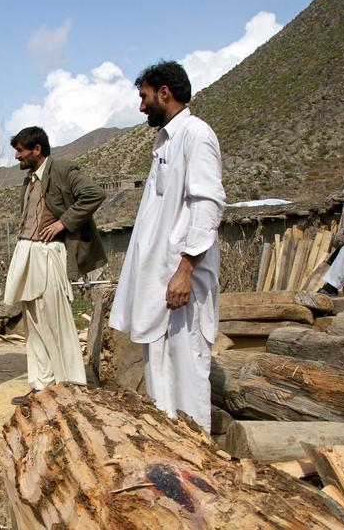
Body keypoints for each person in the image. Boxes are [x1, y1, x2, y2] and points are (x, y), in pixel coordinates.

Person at [109, 61, 225, 433]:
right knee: (159, 373)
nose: (141, 107)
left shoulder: (196, 134)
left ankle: (199, 463)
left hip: (181, 281)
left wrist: (186, 269)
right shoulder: (166, 141)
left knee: (187, 374)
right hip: (160, 282)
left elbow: (208, 205)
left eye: (144, 97)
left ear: (164, 93)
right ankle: (171, 459)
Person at [4, 126, 106, 405]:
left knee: (56, 320)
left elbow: (93, 194)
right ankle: (41, 386)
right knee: (34, 322)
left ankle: (70, 387)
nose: (17, 156)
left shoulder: (61, 169)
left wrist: (63, 223)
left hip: (49, 254)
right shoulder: (30, 180)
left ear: (37, 149)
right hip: (28, 251)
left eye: (21, 150)